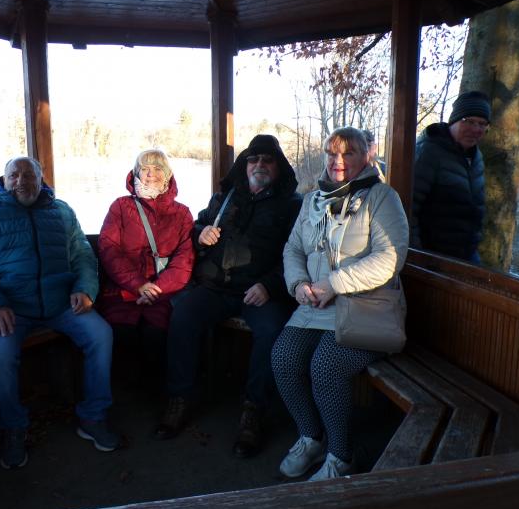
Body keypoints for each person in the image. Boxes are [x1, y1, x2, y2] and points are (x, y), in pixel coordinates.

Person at [0, 157, 117, 470]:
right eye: (14, 175)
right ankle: (13, 426)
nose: (21, 181)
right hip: (11, 308)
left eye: (29, 175)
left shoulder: (61, 211)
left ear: (41, 180)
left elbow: (83, 256)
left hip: (62, 304)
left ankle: (93, 416)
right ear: (3, 180)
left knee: (101, 335)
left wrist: (85, 289)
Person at [272, 127, 408, 481]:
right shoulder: (312, 200)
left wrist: (333, 284)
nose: (338, 161)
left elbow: (390, 258)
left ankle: (341, 456)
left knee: (326, 367)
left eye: (348, 153)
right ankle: (311, 438)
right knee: (283, 359)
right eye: (332, 153)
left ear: (366, 156)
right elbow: (293, 248)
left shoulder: (382, 197)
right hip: (315, 305)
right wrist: (298, 284)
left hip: (365, 310)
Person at [154, 134, 302, 458]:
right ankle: (179, 397)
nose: (259, 164)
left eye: (267, 160)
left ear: (278, 166)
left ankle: (254, 410)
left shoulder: (293, 205)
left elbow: (297, 254)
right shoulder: (225, 197)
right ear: (245, 165)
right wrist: (200, 234)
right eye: (253, 159)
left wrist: (270, 286)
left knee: (272, 330)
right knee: (183, 315)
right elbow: (196, 226)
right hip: (216, 287)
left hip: (260, 292)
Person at [97, 150, 195, 388]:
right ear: (136, 173)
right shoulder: (120, 207)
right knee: (120, 332)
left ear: (167, 175)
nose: (151, 174)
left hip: (163, 294)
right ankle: (123, 393)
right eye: (145, 169)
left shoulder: (182, 214)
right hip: (123, 291)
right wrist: (138, 285)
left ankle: (155, 393)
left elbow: (184, 261)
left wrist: (156, 289)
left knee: (157, 335)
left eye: (157, 169)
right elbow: (109, 249)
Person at [411, 90, 490, 263]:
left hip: (468, 255)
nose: (476, 129)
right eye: (469, 121)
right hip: (433, 257)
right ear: (454, 121)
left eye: (482, 124)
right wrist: (417, 256)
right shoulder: (429, 152)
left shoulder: (477, 158)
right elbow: (409, 208)